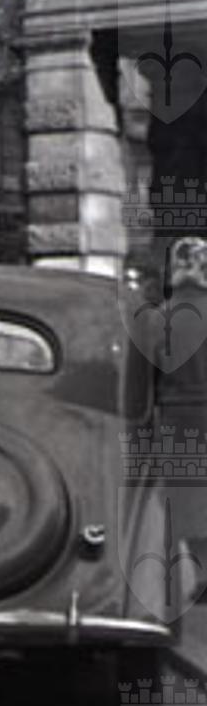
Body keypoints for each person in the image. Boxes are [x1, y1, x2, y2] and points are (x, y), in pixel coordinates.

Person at [132, 235, 207, 598]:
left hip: (175, 419)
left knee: (185, 500)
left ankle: (195, 574)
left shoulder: (157, 318)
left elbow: (143, 378)